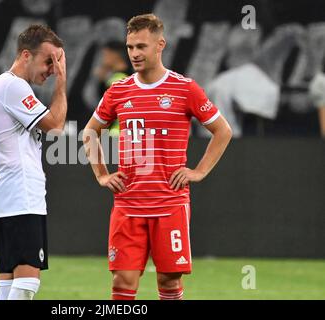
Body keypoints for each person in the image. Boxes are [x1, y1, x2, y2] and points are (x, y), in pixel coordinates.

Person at [83, 14, 232, 300]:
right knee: (123, 281)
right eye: (130, 47)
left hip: (170, 202)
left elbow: (222, 131)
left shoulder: (185, 88)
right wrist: (102, 174)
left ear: (160, 44)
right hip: (128, 203)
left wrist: (198, 171)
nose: (135, 54)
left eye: (141, 46)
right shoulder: (118, 90)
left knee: (168, 281)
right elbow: (90, 132)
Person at [0, 24, 67, 300]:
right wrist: (62, 85)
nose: (52, 69)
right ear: (26, 55)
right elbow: (55, 126)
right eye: (48, 61)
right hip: (21, 194)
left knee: (7, 284)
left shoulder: (0, 85)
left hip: (4, 194)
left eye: (56, 64)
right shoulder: (13, 86)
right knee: (27, 284)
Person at [95, 41, 133, 136]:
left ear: (115, 55)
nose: (103, 59)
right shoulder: (127, 76)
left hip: (116, 134)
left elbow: (107, 109)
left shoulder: (118, 79)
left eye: (105, 55)